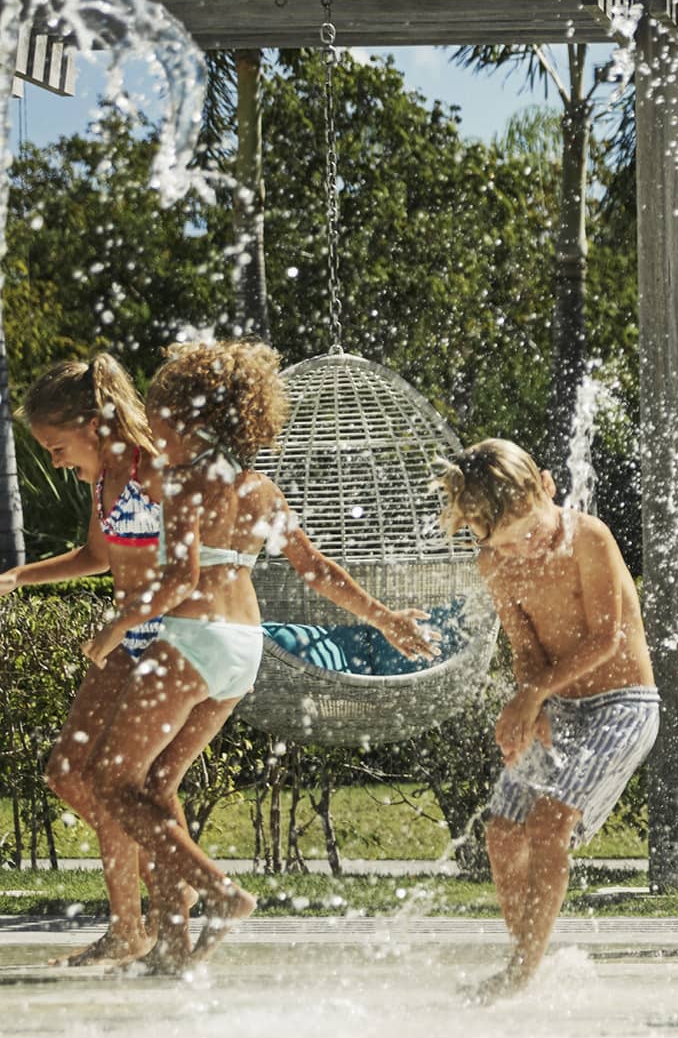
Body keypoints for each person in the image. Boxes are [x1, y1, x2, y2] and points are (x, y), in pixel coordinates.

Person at [88, 340, 436, 969]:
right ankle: (172, 942)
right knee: (159, 784)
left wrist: (114, 630)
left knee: (109, 780)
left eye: (160, 415)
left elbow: (177, 581)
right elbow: (317, 570)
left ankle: (221, 894)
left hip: (193, 641)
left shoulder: (189, 482)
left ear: (192, 420)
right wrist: (384, 619)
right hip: (244, 651)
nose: (152, 427)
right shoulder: (260, 489)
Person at [436, 440, 659, 1001]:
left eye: (531, 534)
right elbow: (526, 649)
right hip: (557, 703)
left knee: (548, 825)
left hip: (623, 704)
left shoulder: (589, 537)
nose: (524, 551)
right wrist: (530, 701)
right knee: (502, 832)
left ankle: (519, 973)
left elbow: (607, 640)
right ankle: (526, 958)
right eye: (506, 545)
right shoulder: (496, 564)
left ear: (547, 487)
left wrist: (531, 697)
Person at [1, 355, 196, 965]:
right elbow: (96, 555)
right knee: (67, 772)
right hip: (125, 641)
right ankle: (162, 886)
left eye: (58, 447)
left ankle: (141, 923)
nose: (56, 461)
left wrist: (129, 623)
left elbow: (191, 568)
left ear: (93, 422)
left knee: (127, 785)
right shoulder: (104, 478)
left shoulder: (154, 468)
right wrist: (17, 576)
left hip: (170, 641)